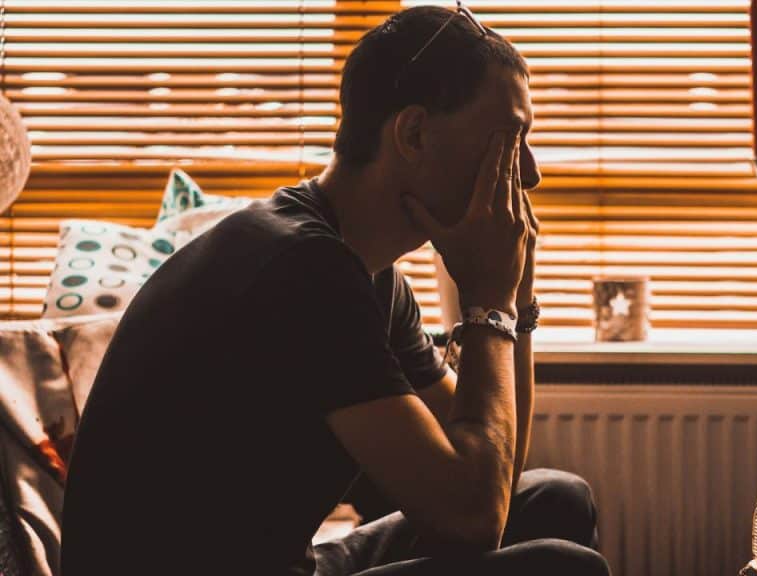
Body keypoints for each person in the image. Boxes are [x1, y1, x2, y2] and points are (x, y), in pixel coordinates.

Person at [61, 5, 610, 576]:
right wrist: (488, 303)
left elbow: (492, 471)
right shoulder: (301, 267)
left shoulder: (365, 273)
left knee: (555, 497)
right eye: (510, 139)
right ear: (414, 133)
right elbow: (473, 515)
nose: (529, 173)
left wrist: (515, 301)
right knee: (564, 567)